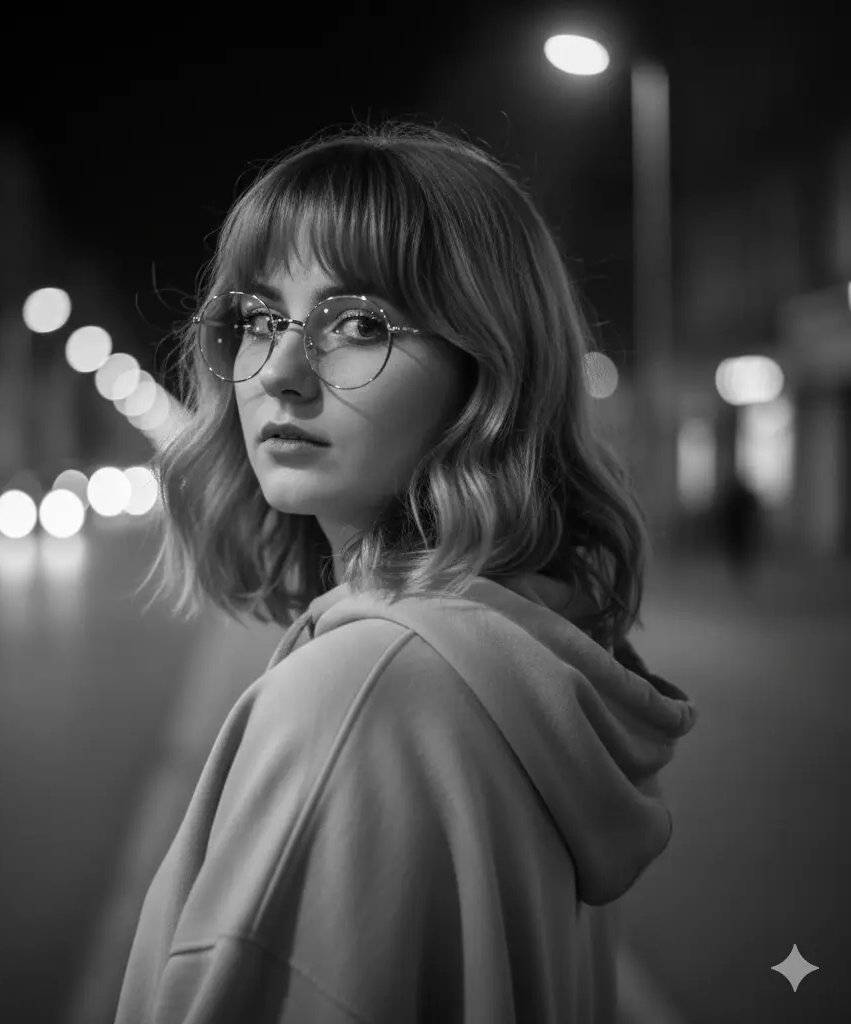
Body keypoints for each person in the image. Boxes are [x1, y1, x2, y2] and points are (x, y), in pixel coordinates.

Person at [117, 119, 699, 1023]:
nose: (280, 371)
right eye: (258, 318)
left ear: (488, 372)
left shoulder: (355, 696)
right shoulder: (525, 653)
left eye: (358, 323)